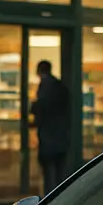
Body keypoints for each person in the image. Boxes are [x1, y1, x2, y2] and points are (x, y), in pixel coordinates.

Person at [29, 60, 71, 197]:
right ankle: (60, 198)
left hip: (48, 136)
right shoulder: (60, 86)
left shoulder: (45, 87)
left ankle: (49, 200)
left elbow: (41, 108)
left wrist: (33, 113)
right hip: (61, 136)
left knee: (48, 172)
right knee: (60, 172)